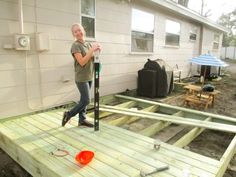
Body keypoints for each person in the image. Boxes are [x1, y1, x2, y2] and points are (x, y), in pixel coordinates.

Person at [62, 23, 101, 127]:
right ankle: (68, 114)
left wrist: (97, 52)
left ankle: (82, 120)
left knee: (83, 99)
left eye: (79, 30)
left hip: (89, 76)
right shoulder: (75, 45)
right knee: (86, 100)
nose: (78, 32)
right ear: (73, 34)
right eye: (75, 31)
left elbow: (91, 58)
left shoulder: (87, 44)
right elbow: (82, 62)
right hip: (81, 78)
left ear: (83, 30)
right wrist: (92, 50)